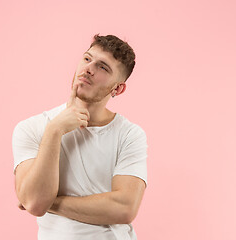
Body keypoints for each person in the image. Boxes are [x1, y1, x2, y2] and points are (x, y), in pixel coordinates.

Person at [12, 34, 148, 240]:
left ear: (117, 89)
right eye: (87, 59)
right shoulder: (33, 128)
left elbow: (124, 208)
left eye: (103, 67)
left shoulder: (129, 135)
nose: (88, 69)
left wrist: (51, 203)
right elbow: (33, 203)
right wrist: (55, 130)